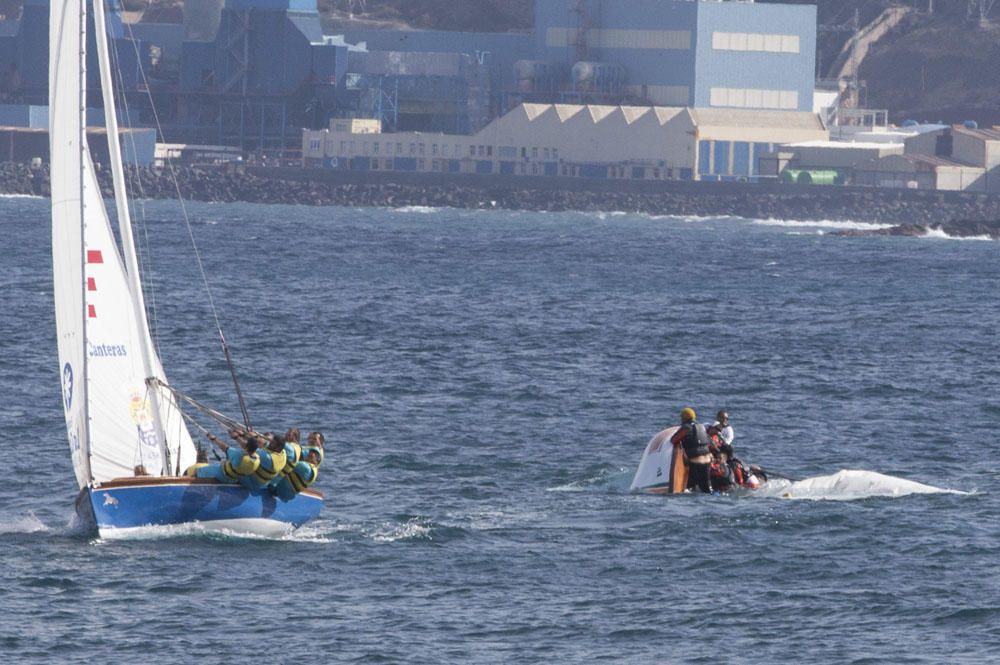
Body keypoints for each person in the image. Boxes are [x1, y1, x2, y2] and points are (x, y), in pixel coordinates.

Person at [670, 407, 712, 493]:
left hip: (695, 463)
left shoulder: (686, 428)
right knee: (707, 490)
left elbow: (673, 440)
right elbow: (710, 443)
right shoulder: (702, 427)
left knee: (689, 489)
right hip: (707, 462)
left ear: (684, 418)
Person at [196, 429, 260, 484]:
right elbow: (246, 445)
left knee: (199, 471)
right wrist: (237, 437)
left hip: (223, 475)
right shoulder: (257, 458)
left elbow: (224, 447)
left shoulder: (238, 454)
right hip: (235, 479)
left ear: (247, 445)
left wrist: (214, 439)